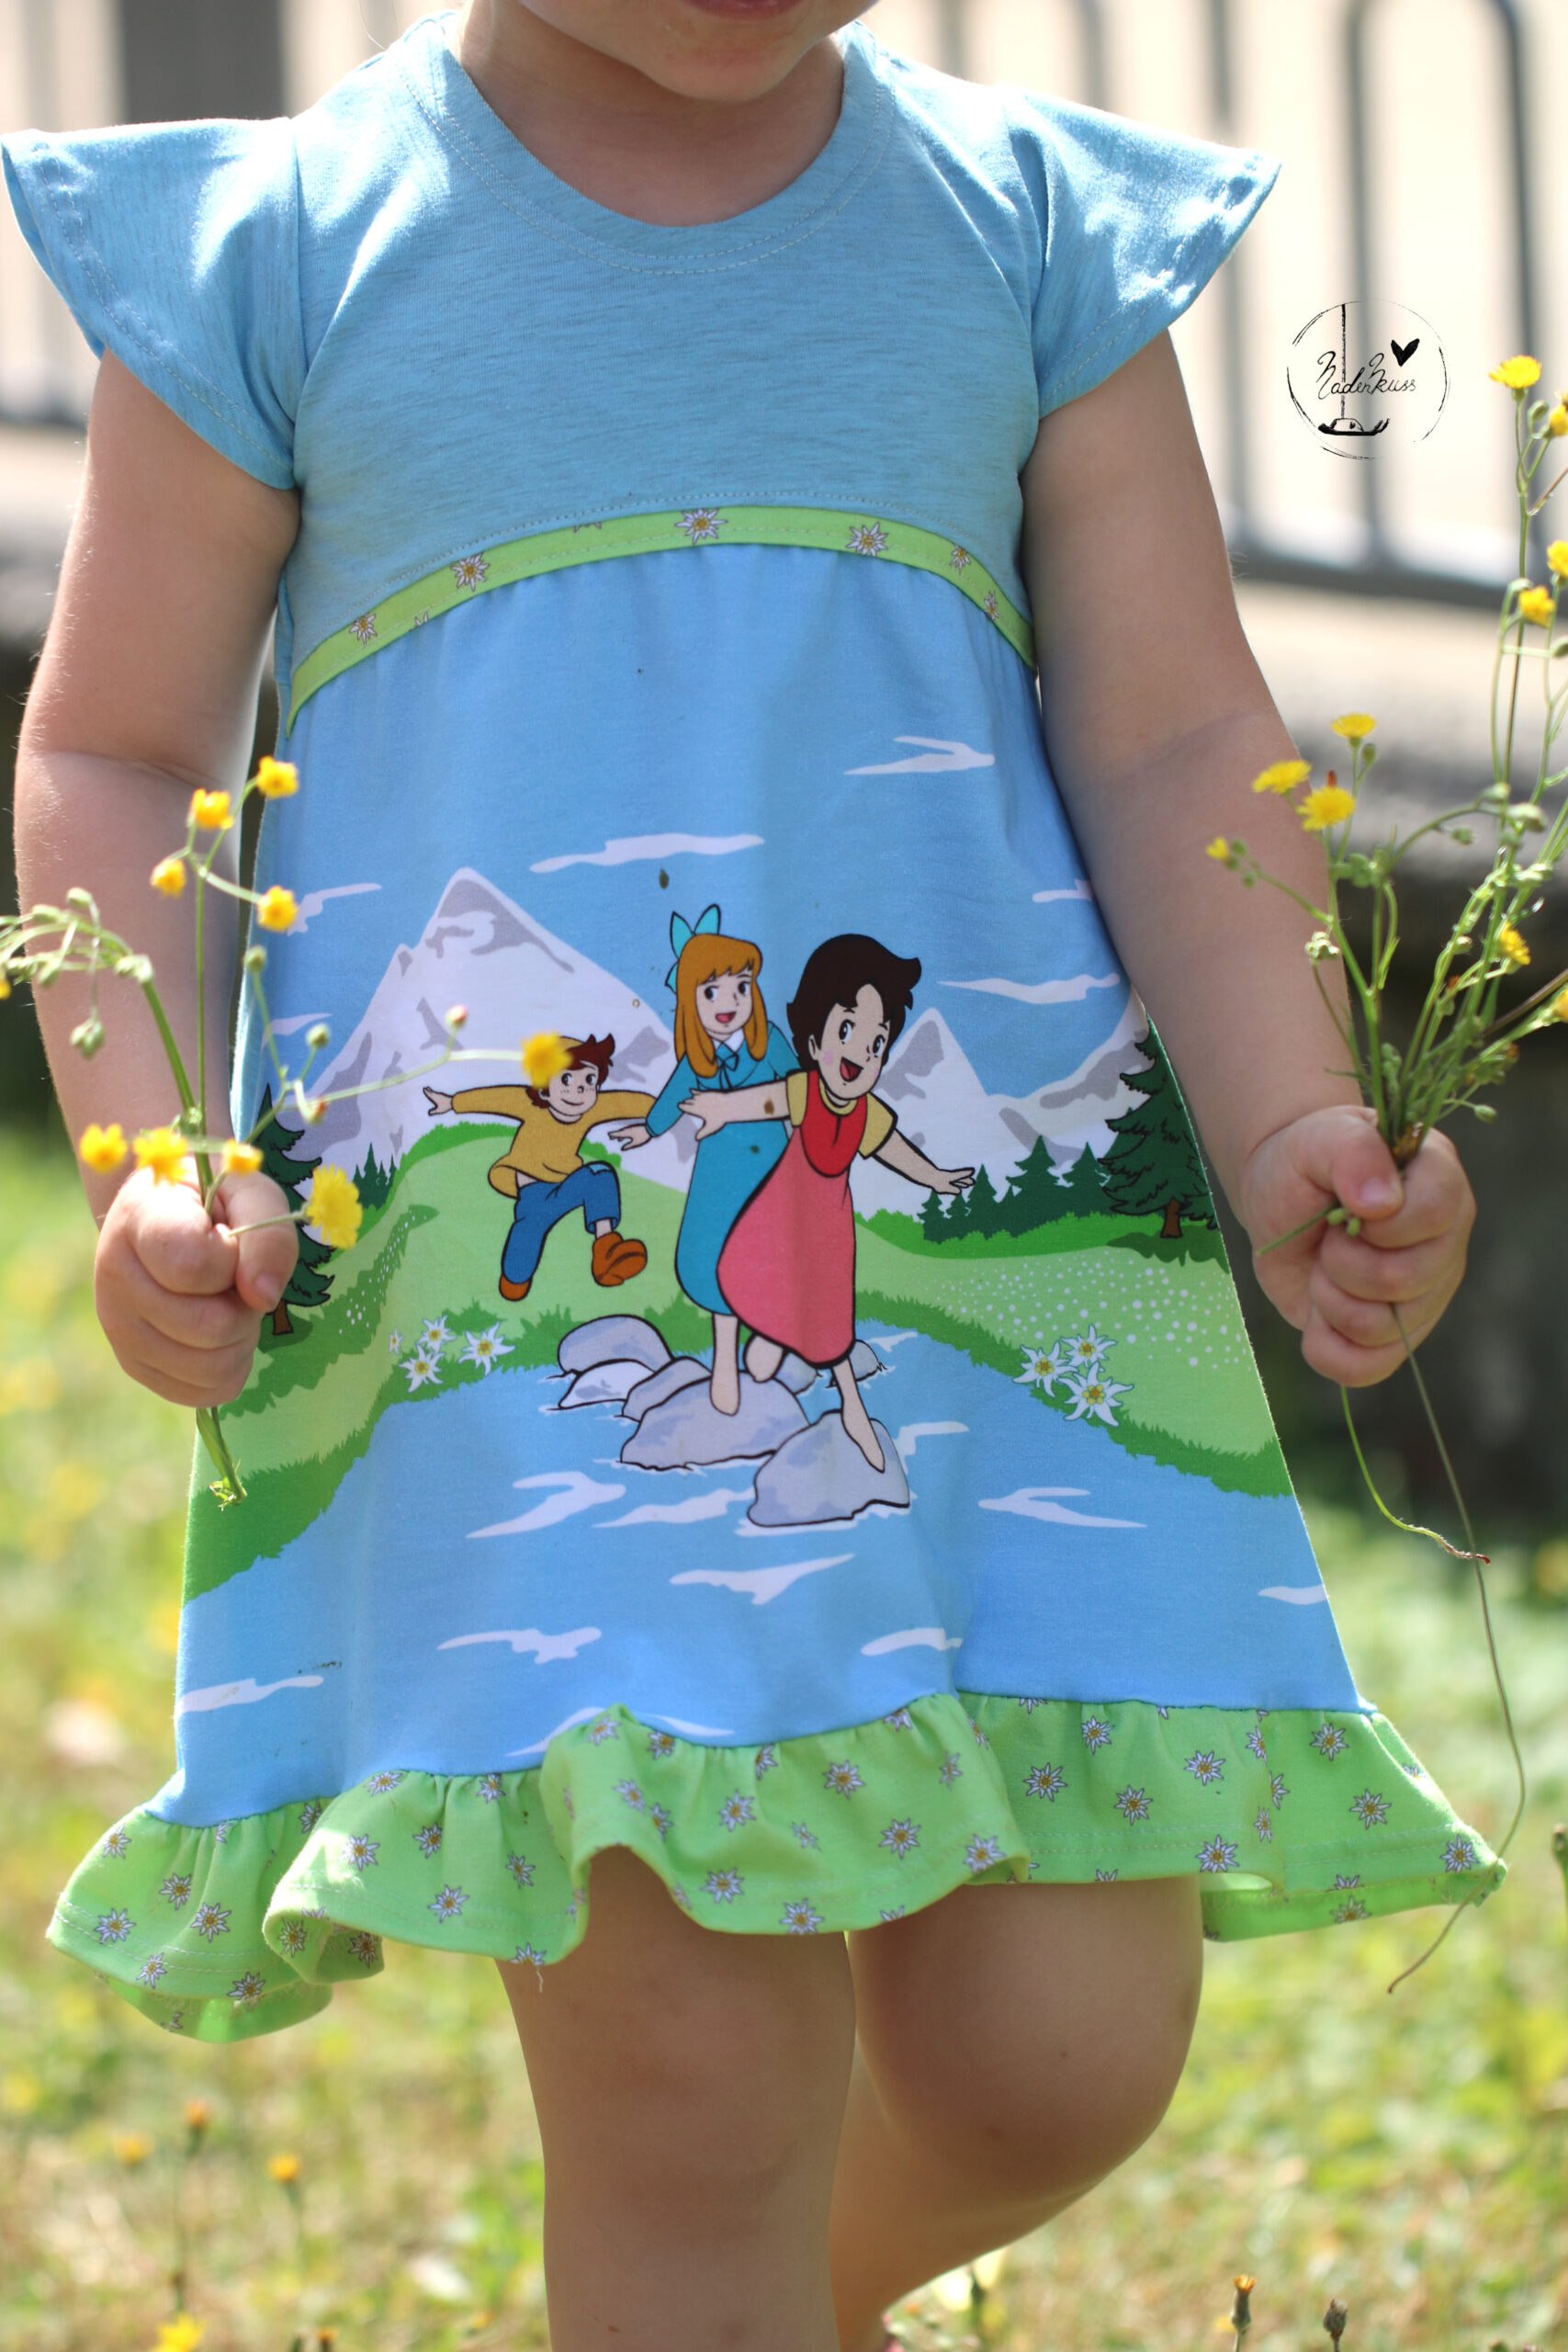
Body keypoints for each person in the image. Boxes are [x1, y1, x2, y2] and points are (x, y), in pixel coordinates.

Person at [7, 6, 1493, 2348]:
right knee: (688, 2083)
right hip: (525, 1392)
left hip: (980, 1374)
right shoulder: (284, 254)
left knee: (1051, 2056)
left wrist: (1294, 1110)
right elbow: (116, 745)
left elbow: (1174, 732)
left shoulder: (1019, 237)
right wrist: (154, 1141)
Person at [705, 933, 975, 1470]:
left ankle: (853, 1408)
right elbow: (767, 1102)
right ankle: (759, 1341)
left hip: (829, 1228)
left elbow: (896, 1150)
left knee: (830, 1313)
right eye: (847, 1031)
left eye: (876, 1044)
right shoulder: (806, 1091)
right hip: (782, 1211)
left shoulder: (867, 1113)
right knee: (754, 1270)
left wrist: (936, 1177)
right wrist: (722, 1108)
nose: (859, 1054)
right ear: (813, 1040)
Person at [608, 907, 797, 1413]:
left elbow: (800, 1091)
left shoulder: (770, 1043)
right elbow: (674, 1095)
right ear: (691, 1000)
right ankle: (723, 1362)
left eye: (741, 987)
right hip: (718, 1174)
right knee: (713, 1256)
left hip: (769, 1170)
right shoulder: (698, 1059)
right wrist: (649, 1127)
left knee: (771, 1251)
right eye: (711, 991)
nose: (728, 1003)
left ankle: (772, 1330)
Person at [424, 1034, 652, 1301]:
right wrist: (452, 1102)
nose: (578, 1090)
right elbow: (493, 1098)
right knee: (524, 1246)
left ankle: (606, 1252)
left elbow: (628, 1102)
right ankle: (514, 1281)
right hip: (533, 1195)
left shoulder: (591, 1109)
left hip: (568, 1186)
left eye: (589, 1080)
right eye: (566, 1079)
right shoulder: (531, 1104)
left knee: (600, 1175)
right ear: (544, 1086)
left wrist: (665, 1109)